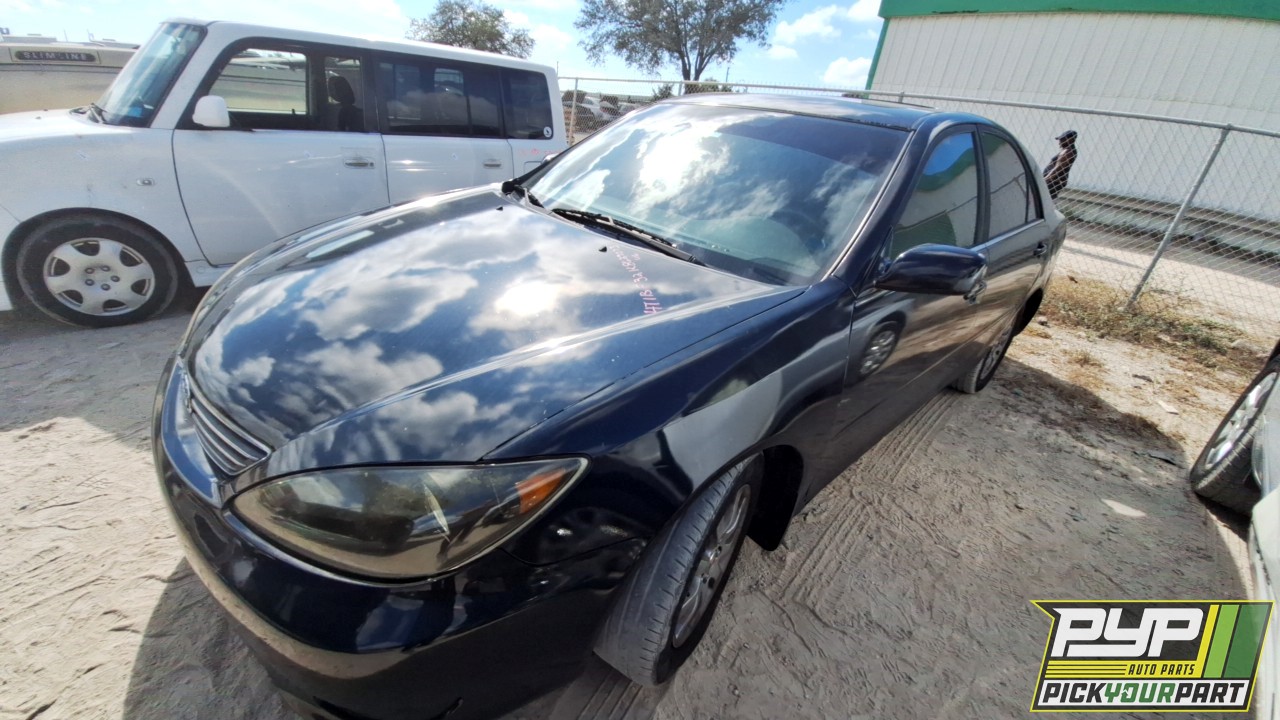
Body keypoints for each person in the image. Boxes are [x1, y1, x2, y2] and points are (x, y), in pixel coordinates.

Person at [1043, 130, 1078, 200]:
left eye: (1062, 139)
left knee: (1043, 199)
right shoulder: (1068, 151)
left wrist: (1045, 180)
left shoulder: (1067, 152)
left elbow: (1058, 168)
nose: (1059, 142)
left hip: (1053, 182)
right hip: (1054, 181)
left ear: (1070, 140)